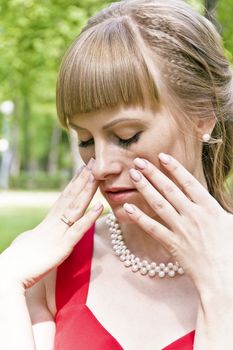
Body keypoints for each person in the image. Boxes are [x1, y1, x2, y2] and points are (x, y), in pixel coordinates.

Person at [1, 0, 233, 349]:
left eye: (127, 136)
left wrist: (221, 292)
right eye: (85, 139)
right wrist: (6, 278)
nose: (100, 165)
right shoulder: (53, 269)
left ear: (203, 116)